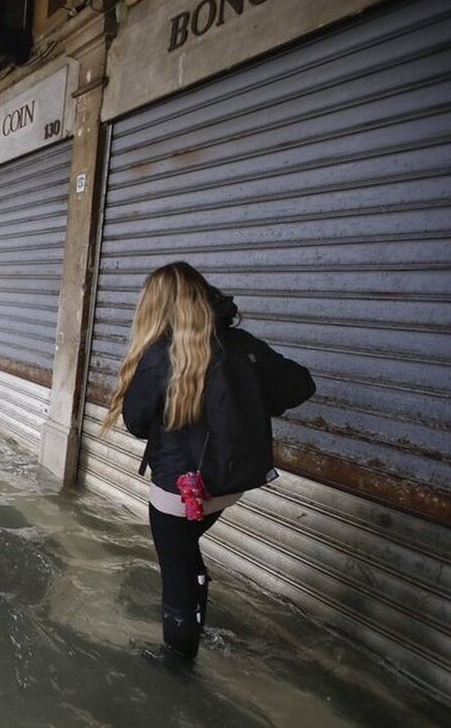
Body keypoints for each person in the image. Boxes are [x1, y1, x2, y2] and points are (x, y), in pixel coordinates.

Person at [106, 262, 314, 659]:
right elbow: (300, 385)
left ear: (156, 307)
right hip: (230, 481)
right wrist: (247, 403)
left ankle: (178, 664)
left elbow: (135, 422)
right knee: (187, 555)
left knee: (177, 570)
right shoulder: (242, 344)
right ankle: (196, 616)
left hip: (178, 490)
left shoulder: (157, 356)